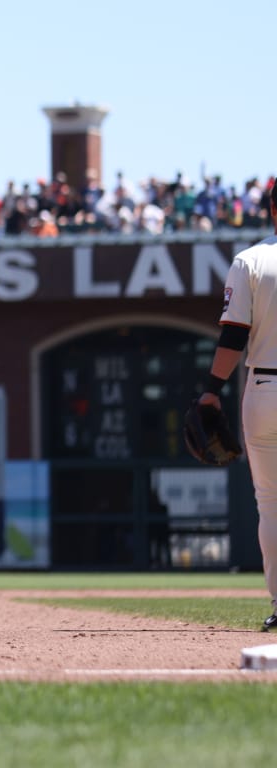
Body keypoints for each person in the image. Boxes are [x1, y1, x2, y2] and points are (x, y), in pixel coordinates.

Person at [201, 187, 277, 630]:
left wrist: (211, 390)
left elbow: (233, 336)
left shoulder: (251, 260)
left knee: (270, 504)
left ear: (271, 209)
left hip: (265, 386)